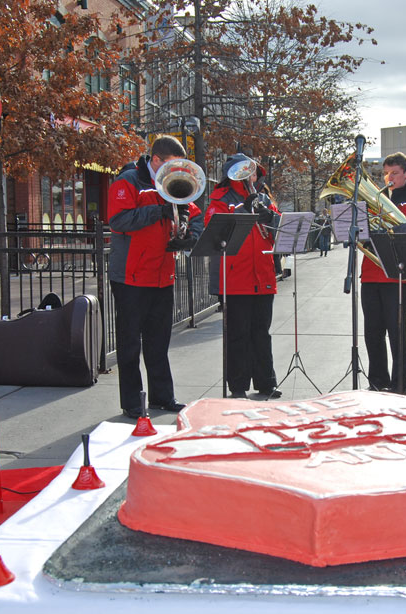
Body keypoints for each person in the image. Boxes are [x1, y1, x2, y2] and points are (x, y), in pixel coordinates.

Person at [106, 135, 202, 419]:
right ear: (156, 160)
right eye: (171, 165)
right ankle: (133, 403)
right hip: (130, 276)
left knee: (159, 341)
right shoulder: (127, 181)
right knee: (130, 344)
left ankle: (162, 397)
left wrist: (189, 237)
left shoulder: (169, 182)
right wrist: (158, 211)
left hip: (162, 274)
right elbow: (119, 221)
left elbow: (195, 214)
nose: (175, 173)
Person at [205, 154, 282, 399]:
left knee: (261, 332)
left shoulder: (265, 199)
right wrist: (242, 210)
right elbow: (214, 229)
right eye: (245, 171)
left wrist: (271, 218)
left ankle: (266, 382)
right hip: (235, 277)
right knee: (237, 334)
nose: (251, 176)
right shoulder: (220, 198)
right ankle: (237, 386)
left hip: (263, 274)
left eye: (253, 171)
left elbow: (278, 234)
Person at [360, 151, 406, 395]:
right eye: (386, 173)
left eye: (394, 173)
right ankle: (377, 381)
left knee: (396, 331)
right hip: (371, 273)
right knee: (373, 332)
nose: (388, 178)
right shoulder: (375, 201)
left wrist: (390, 230)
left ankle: (400, 384)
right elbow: (362, 231)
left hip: (399, 275)